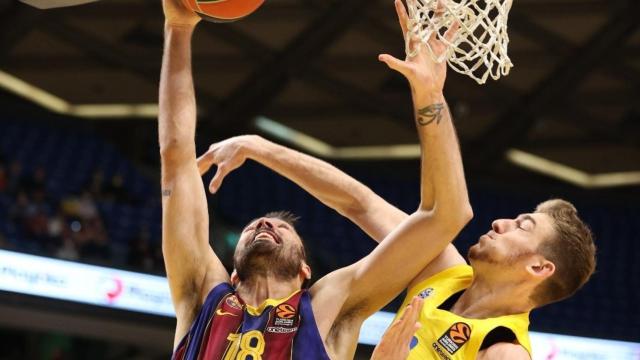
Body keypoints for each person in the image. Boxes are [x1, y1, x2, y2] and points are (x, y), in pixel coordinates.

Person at [196, 2, 597, 359]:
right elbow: (361, 204)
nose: (501, 223)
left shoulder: (504, 350)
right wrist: (428, 92)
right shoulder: (445, 274)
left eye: (522, 226)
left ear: (540, 268)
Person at [160, 0, 471, 358]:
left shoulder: (329, 305)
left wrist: (429, 96)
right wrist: (178, 29)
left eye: (283, 228)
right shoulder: (202, 293)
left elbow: (445, 216)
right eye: (256, 227)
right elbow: (176, 156)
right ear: (231, 275)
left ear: (306, 269)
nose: (264, 223)